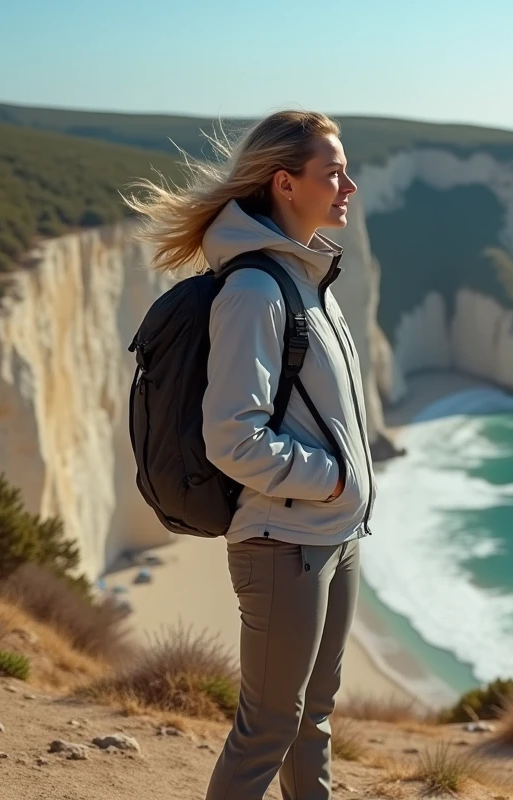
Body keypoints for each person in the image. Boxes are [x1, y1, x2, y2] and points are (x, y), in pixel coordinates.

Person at [127, 110, 372, 800]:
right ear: (285, 184)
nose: (349, 185)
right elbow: (232, 435)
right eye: (333, 173)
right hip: (283, 542)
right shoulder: (256, 291)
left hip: (334, 536)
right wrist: (328, 480)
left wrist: (341, 499)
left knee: (311, 721)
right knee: (268, 725)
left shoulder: (307, 279)